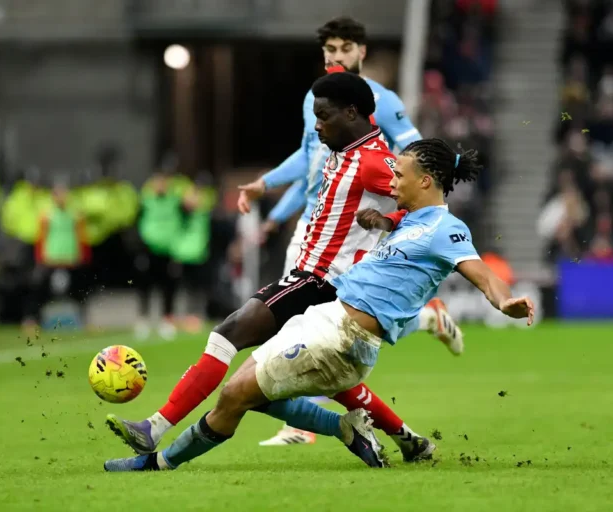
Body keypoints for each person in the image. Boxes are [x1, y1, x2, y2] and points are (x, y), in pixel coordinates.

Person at [103, 138, 535, 472]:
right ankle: (347, 426)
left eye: (399, 175)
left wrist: (504, 301)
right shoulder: (411, 220)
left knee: (233, 395)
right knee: (249, 389)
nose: (393, 182)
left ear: (426, 181)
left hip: (344, 340)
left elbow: (481, 272)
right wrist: (382, 221)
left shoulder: (446, 227)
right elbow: (395, 231)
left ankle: (155, 463)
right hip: (322, 319)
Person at [106, 72, 439, 463]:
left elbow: (426, 203)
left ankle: (155, 429)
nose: (316, 125)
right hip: (316, 281)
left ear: (352, 112)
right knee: (300, 385)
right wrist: (269, 197)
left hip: (320, 281)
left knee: (228, 333)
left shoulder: (371, 161)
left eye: (324, 115)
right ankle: (401, 436)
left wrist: (390, 222)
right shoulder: (343, 150)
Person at [239, 16, 461, 446]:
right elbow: (309, 161)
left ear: (361, 52)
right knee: (306, 331)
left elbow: (415, 153)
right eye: (330, 51)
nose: (336, 57)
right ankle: (319, 425)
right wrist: (269, 191)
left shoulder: (383, 100)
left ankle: (423, 323)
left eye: (345, 50)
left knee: (337, 330)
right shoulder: (315, 98)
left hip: (357, 226)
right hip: (314, 223)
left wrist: (397, 197)